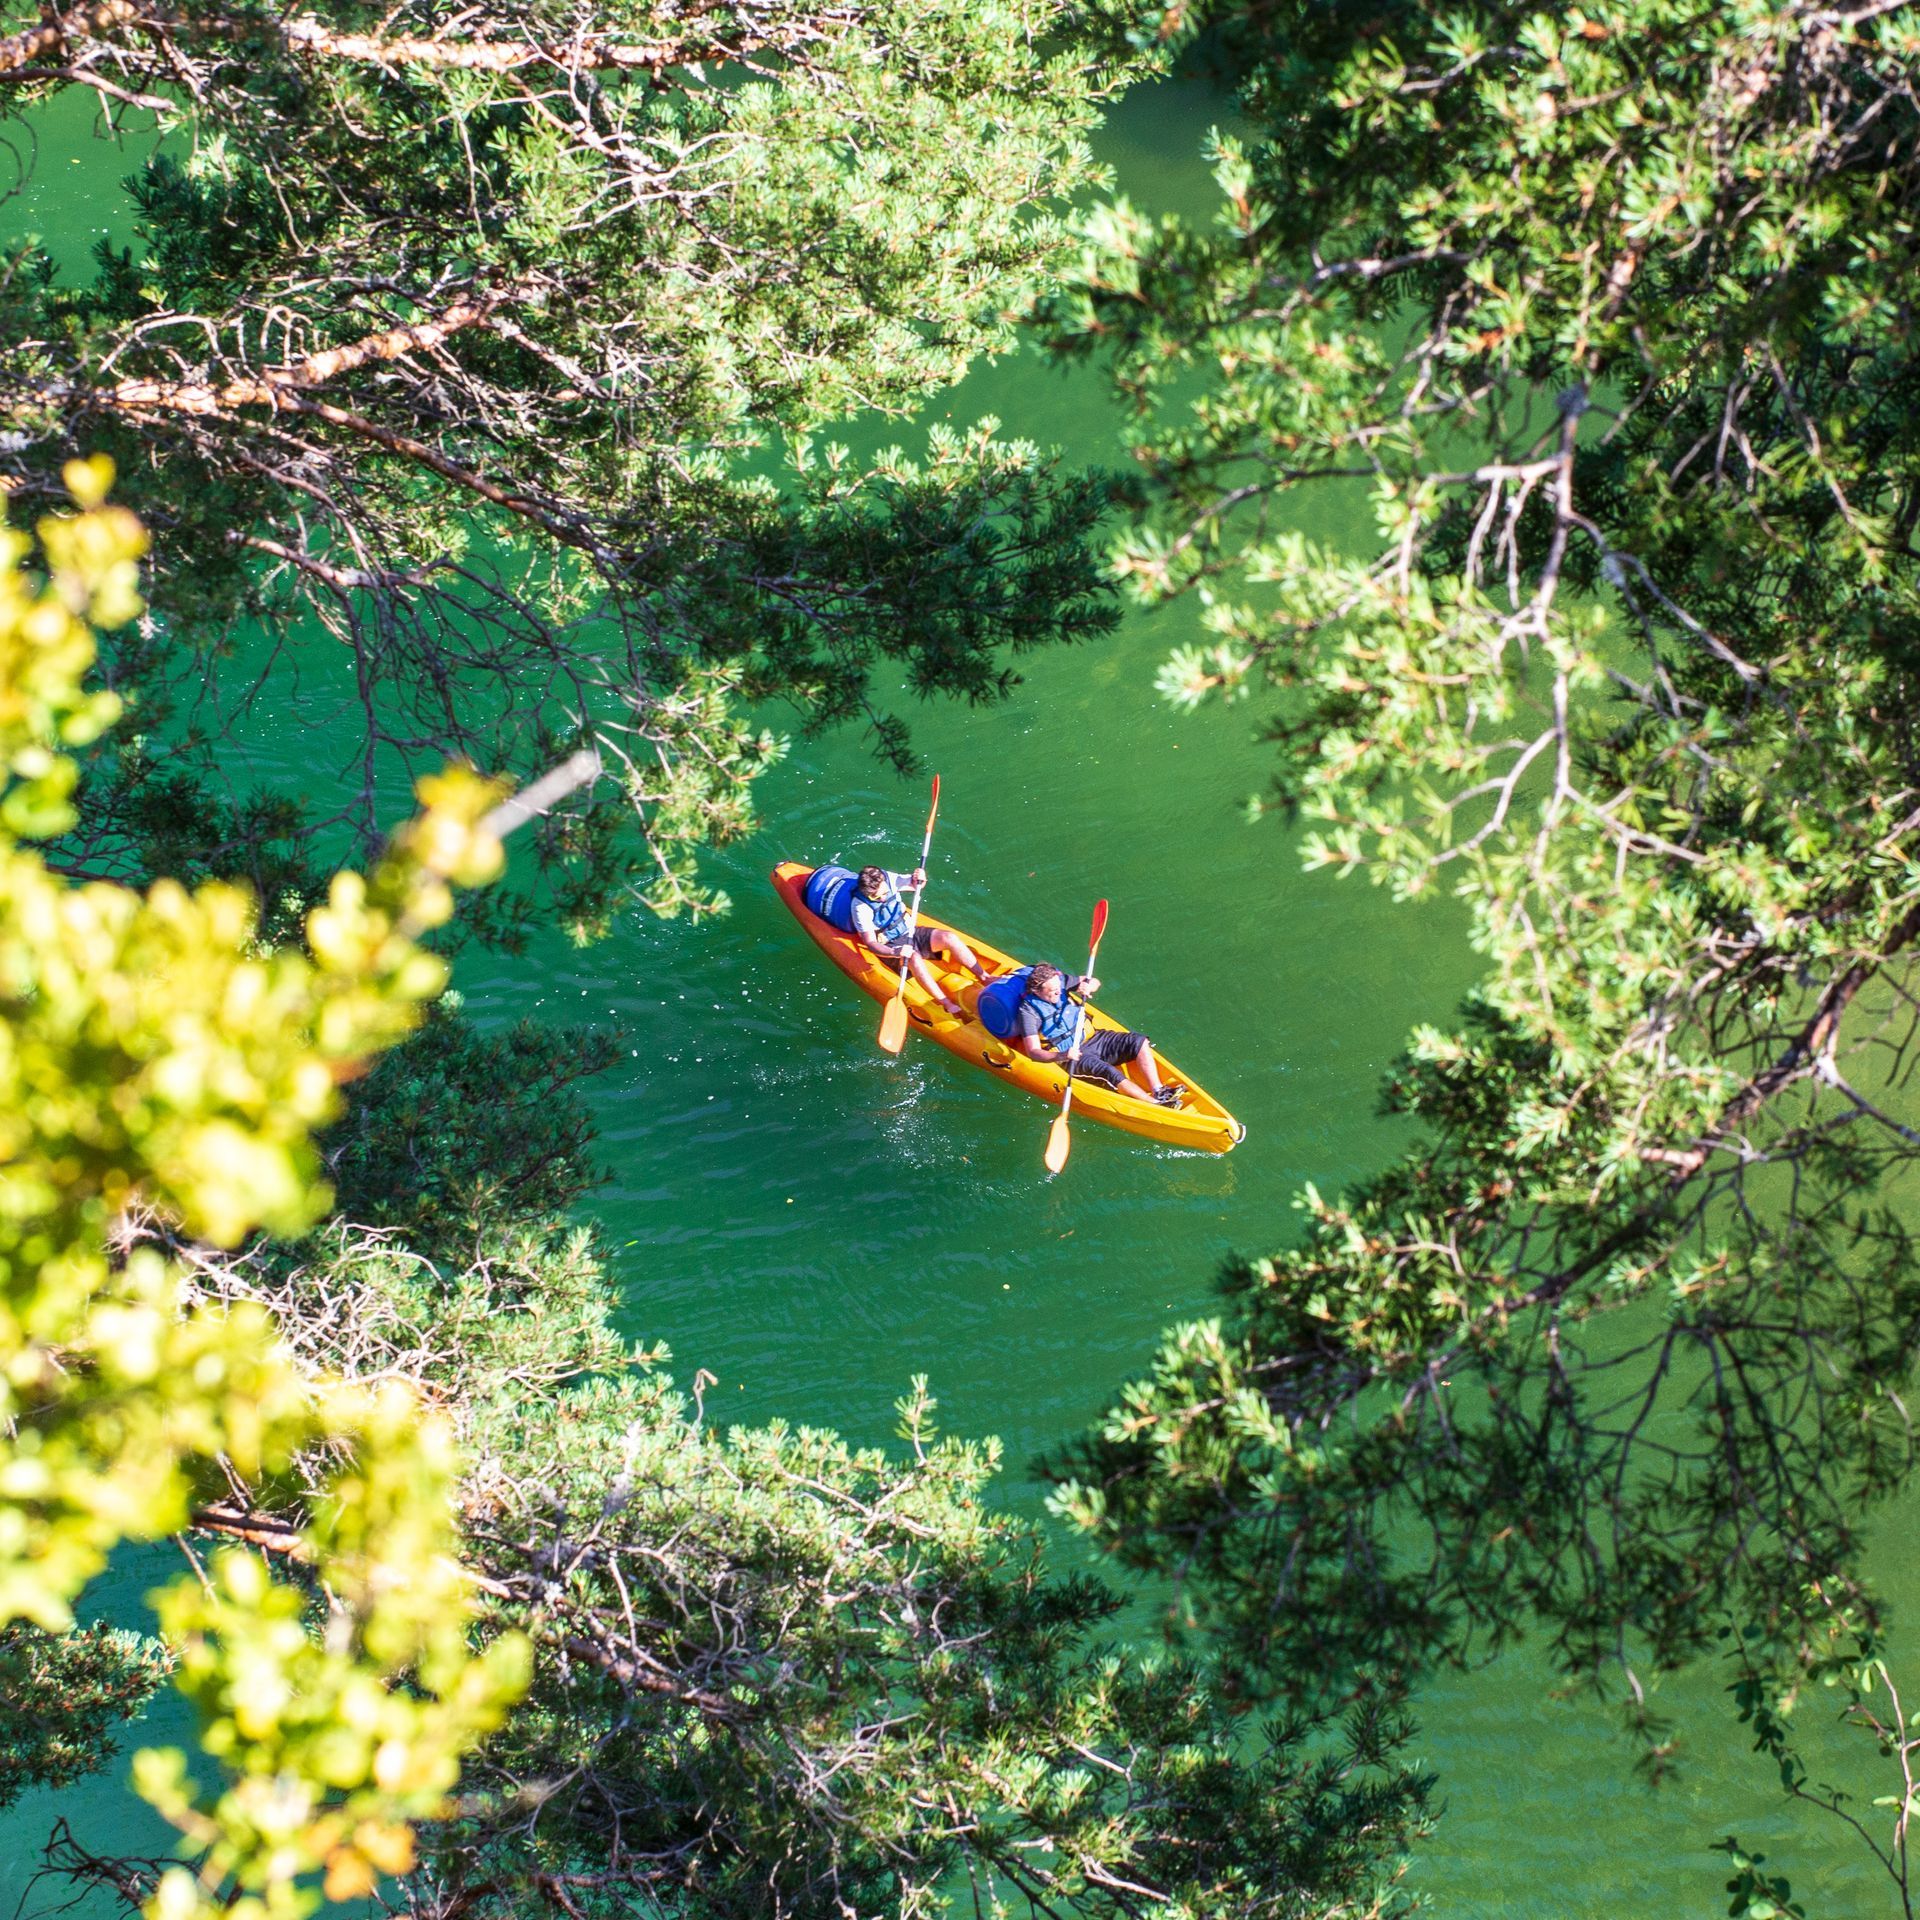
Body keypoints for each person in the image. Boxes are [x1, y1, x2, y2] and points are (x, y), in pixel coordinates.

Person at [975, 961, 1181, 1106]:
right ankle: (1154, 1104)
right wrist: (1062, 1056)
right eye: (1052, 991)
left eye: (1058, 988)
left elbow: (1094, 980)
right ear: (1037, 992)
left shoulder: (1059, 982)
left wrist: (1088, 986)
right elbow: (1034, 1052)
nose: (1058, 992)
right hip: (1073, 1054)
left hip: (1094, 1037)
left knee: (1138, 1041)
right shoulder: (1028, 1012)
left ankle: (1158, 1090)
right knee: (1108, 1072)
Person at [802, 862, 990, 1018]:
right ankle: (946, 1003)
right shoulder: (860, 907)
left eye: (884, 893)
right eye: (877, 897)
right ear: (867, 893)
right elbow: (870, 943)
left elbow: (912, 883)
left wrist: (919, 879)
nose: (883, 898)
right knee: (914, 958)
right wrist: (896, 952)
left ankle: (984, 977)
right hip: (889, 945)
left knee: (949, 937)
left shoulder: (887, 878)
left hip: (908, 931)